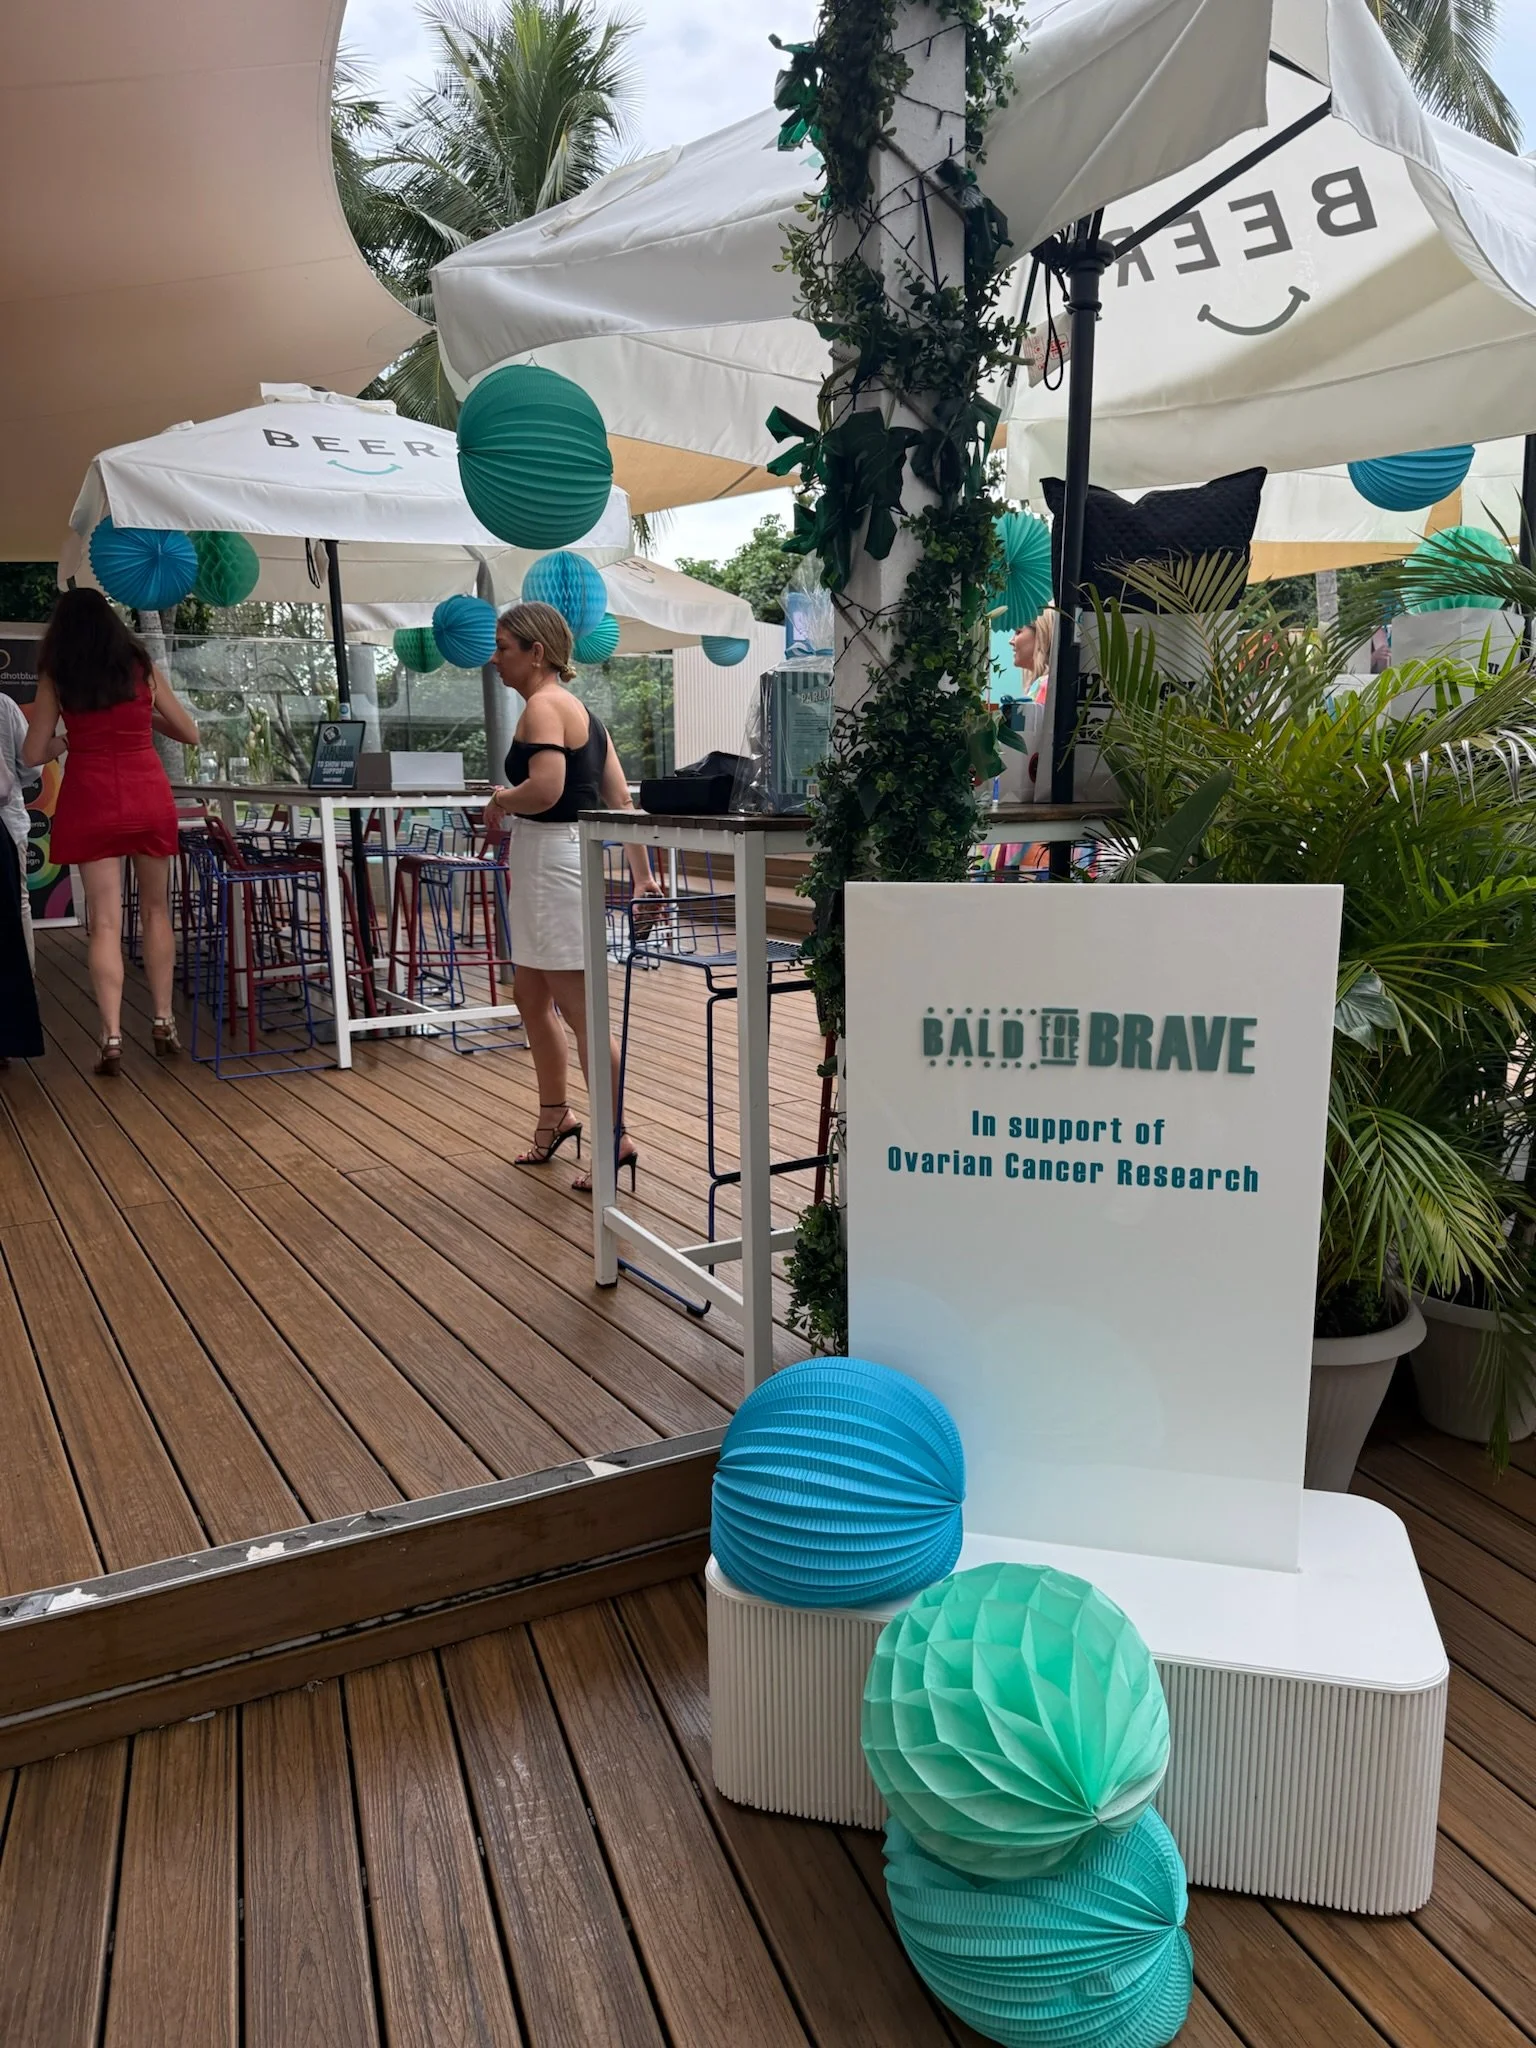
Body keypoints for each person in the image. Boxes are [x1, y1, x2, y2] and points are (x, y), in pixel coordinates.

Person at [483, 600, 661, 1189]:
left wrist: (499, 799)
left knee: (583, 1013)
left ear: (536, 653)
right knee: (531, 996)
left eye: (504, 647)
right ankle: (556, 1114)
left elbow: (546, 788)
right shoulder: (586, 713)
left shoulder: (541, 708)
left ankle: (616, 1138)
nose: (495, 659)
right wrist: (643, 874)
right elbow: (621, 802)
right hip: (557, 859)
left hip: (551, 861)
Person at [23, 590, 200, 1077]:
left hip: (91, 798)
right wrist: (144, 718)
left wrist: (71, 736)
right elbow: (190, 732)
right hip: (147, 795)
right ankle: (163, 1020)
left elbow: (33, 753)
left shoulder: (58, 675)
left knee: (103, 923)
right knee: (157, 910)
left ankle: (112, 1034)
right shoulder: (140, 665)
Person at [0, 698, 44, 1066]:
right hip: (6, 822)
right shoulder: (3, 705)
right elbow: (31, 765)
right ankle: (19, 1004)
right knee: (18, 909)